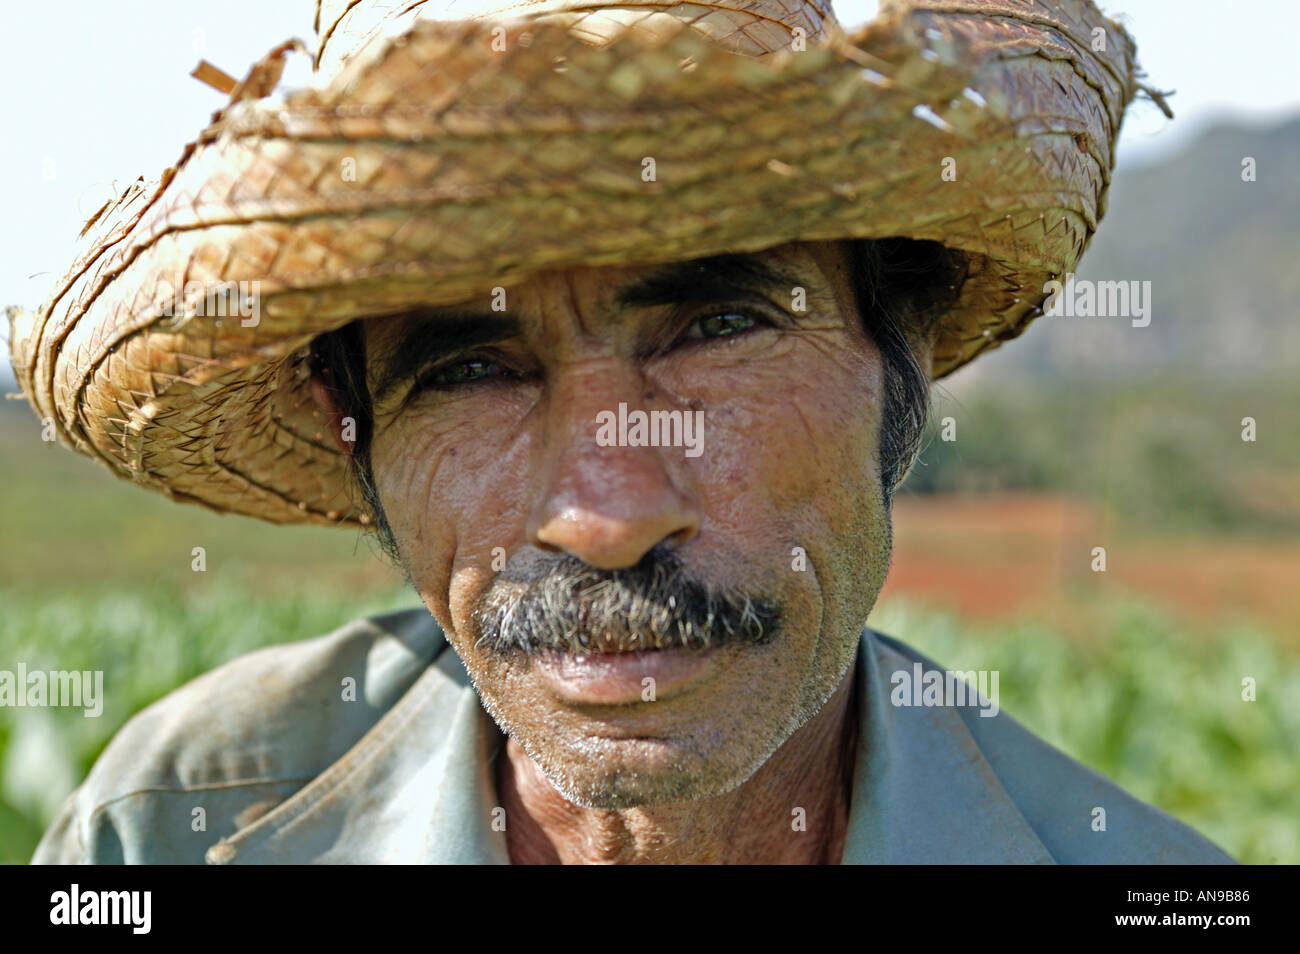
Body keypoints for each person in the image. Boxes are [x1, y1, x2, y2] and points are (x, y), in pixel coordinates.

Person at [11, 0, 1230, 864]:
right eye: (475, 370)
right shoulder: (169, 823)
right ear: (358, 442)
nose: (606, 519)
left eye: (717, 326)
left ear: (897, 371)